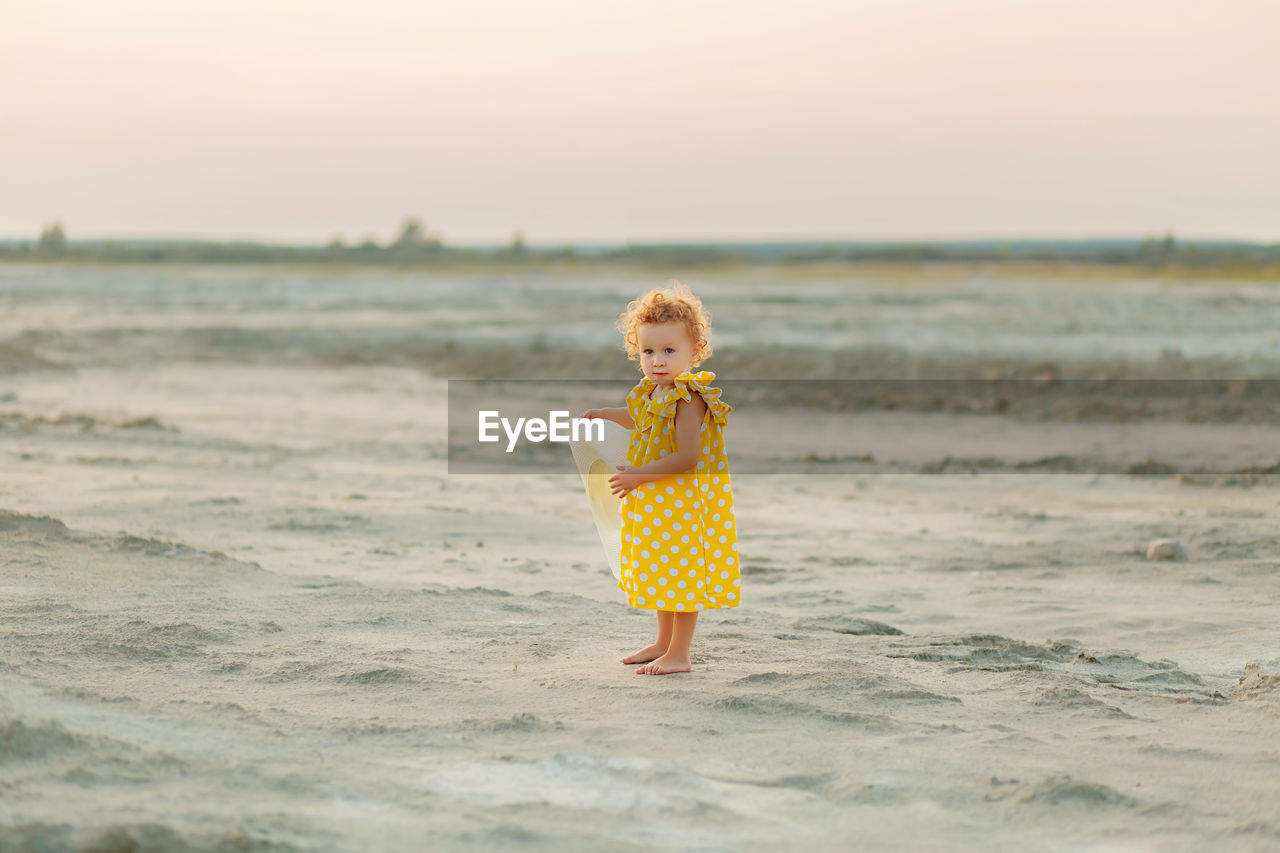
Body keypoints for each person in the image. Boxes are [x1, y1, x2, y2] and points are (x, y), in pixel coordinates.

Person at [580, 282, 740, 675]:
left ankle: (680, 653)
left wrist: (638, 476)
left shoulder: (689, 396)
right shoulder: (653, 392)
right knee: (661, 568)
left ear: (695, 352)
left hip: (682, 501)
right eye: (649, 351)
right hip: (657, 497)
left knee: (681, 572)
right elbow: (637, 418)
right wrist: (603, 413)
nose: (658, 360)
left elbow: (687, 456)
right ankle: (662, 642)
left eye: (670, 350)